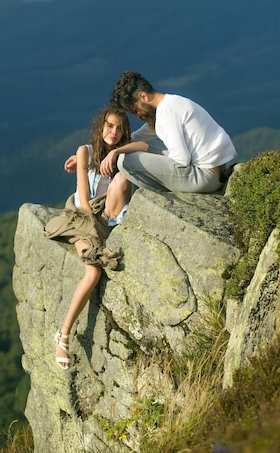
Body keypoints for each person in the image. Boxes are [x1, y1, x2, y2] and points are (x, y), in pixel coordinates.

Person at [44, 105, 143, 370]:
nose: (114, 131)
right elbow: (85, 202)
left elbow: (145, 147)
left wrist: (120, 152)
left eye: (119, 128)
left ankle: (108, 230)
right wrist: (96, 239)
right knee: (93, 273)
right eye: (110, 126)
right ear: (101, 127)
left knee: (122, 178)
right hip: (81, 218)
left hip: (107, 216)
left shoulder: (120, 153)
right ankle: (63, 335)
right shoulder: (84, 151)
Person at [104, 70, 237, 194]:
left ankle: (161, 195)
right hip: (215, 171)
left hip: (204, 177)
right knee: (131, 152)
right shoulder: (171, 104)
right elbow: (136, 137)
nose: (138, 116)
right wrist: (113, 149)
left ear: (143, 96)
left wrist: (119, 153)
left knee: (126, 161)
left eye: (135, 110)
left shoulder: (166, 113)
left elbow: (181, 159)